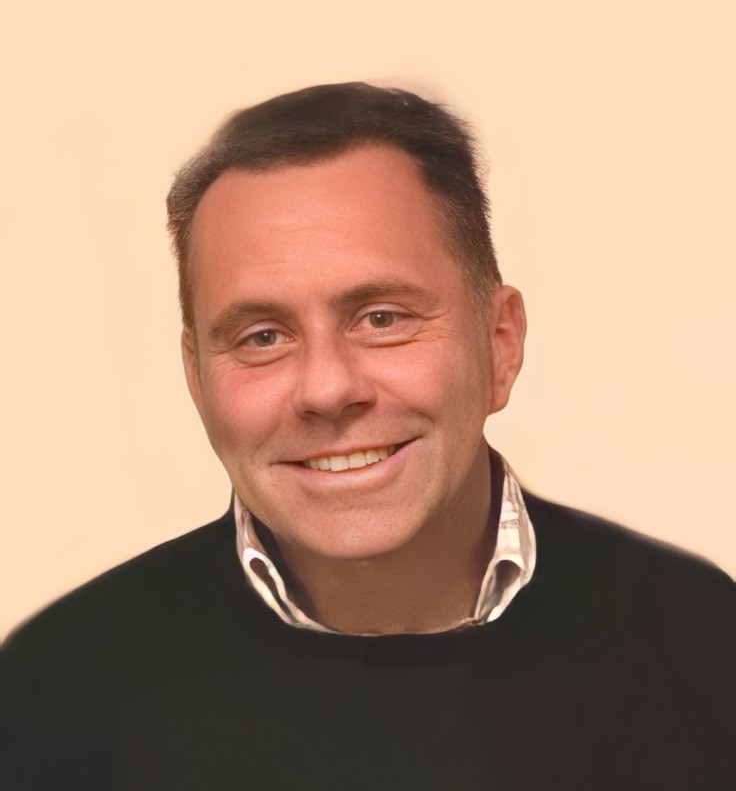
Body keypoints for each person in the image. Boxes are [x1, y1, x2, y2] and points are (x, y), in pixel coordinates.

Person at [1, 83, 733, 790]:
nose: (326, 390)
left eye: (382, 318)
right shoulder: (54, 695)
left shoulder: (704, 642)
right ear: (197, 380)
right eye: (262, 337)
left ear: (499, 343)